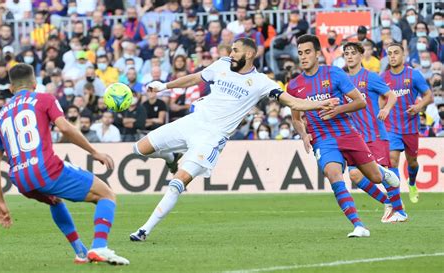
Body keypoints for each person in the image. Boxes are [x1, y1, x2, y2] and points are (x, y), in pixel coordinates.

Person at [129, 38, 340, 242]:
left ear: (249, 54)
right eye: (231, 50)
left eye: (235, 50)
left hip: (211, 138)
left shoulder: (261, 82)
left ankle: (144, 229)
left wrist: (319, 105)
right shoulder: (221, 65)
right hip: (192, 122)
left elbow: (294, 102)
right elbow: (195, 78)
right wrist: (164, 86)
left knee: (177, 183)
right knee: (138, 149)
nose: (230, 54)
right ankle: (170, 156)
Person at [0, 64, 129, 265]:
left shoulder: (0, 116)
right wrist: (94, 151)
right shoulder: (44, 99)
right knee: (106, 194)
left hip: (20, 178)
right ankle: (99, 247)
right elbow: (65, 128)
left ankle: (81, 252)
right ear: (35, 84)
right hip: (46, 168)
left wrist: (0, 201)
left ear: (11, 89)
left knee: (54, 200)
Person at [288, 35, 400, 238]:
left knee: (374, 177)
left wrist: (338, 109)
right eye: (300, 53)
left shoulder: (334, 73)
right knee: (334, 175)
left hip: (347, 133)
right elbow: (296, 117)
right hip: (323, 139)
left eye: (307, 52)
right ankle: (358, 225)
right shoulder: (294, 86)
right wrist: (303, 134)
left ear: (318, 54)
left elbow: (360, 102)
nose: (303, 57)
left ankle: (384, 174)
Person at [343, 42, 407, 223]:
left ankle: (400, 212)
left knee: (382, 175)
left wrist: (386, 109)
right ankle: (389, 203)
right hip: (357, 138)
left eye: (353, 53)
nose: (349, 56)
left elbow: (392, 95)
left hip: (375, 135)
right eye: (346, 53)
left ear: (361, 56)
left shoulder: (370, 77)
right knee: (355, 175)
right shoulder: (344, 80)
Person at [382, 43, 434, 203]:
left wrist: (419, 106)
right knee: (392, 160)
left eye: (396, 53)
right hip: (391, 128)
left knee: (412, 163)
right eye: (389, 53)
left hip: (410, 127)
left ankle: (412, 183)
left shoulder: (414, 75)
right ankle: (396, 201)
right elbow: (378, 100)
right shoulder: (383, 78)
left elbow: (429, 96)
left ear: (403, 56)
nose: (392, 56)